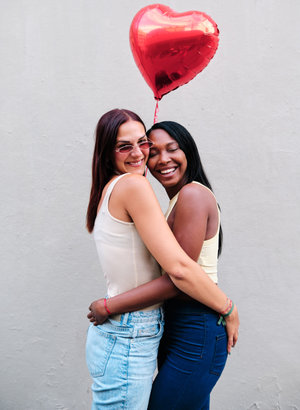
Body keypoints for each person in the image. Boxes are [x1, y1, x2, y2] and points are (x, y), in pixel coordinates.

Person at [86, 109, 239, 409]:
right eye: (152, 150)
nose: (157, 158)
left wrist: (229, 308)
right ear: (108, 153)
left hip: (196, 324)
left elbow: (179, 274)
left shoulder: (191, 195)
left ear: (188, 151)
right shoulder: (166, 199)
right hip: (175, 324)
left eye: (171, 148)